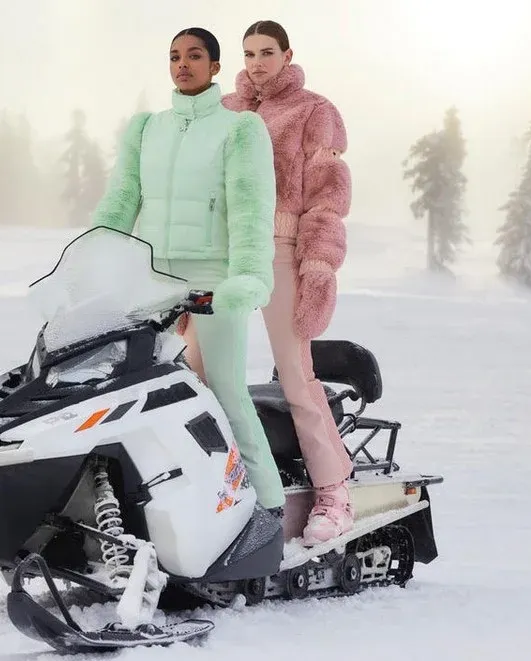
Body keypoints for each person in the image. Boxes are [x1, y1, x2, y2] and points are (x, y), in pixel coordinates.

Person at [89, 27, 287, 514]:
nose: (183, 64)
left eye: (195, 56)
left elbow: (251, 210)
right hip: (153, 279)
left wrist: (247, 276)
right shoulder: (146, 129)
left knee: (225, 389)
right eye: (175, 56)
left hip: (213, 280)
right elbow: (121, 201)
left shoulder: (239, 129)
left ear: (215, 66)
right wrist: (94, 257)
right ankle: (167, 499)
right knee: (139, 393)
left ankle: (269, 506)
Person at [221, 20, 355, 545]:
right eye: (249, 53)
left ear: (287, 55)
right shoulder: (226, 111)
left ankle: (333, 493)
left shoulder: (313, 111)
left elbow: (327, 197)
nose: (257, 63)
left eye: (267, 52)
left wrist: (317, 266)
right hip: (226, 256)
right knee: (200, 373)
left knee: (296, 376)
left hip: (280, 251)